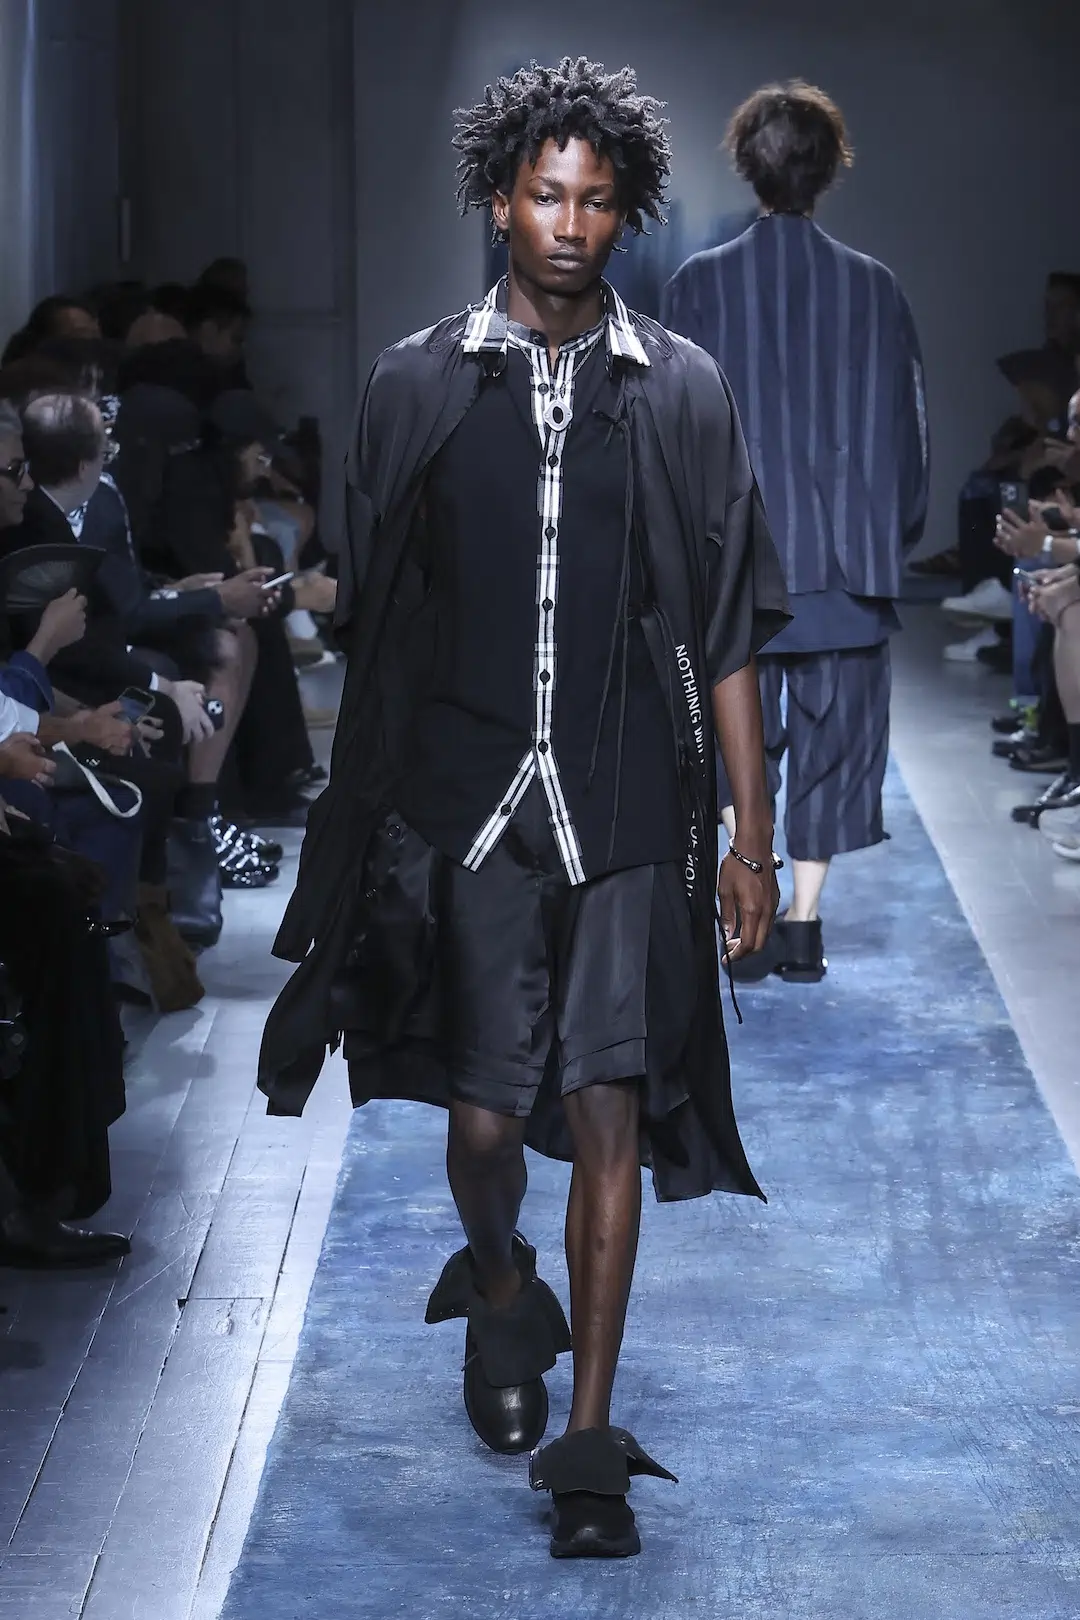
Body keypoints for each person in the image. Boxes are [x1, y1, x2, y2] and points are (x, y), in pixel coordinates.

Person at [259, 56, 789, 1559]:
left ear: (625, 215)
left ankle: (589, 1446)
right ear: (499, 201)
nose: (568, 222)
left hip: (626, 810)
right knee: (487, 1121)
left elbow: (728, 628)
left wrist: (751, 838)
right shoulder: (418, 381)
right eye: (545, 194)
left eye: (596, 200)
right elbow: (390, 620)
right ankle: (500, 1289)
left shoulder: (679, 388)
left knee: (608, 1105)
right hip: (474, 805)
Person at [663, 80, 929, 982]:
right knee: (838, 743)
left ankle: (750, 912)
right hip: (848, 564)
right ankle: (804, 923)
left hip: (732, 566)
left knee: (725, 743)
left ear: (747, 164)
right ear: (829, 168)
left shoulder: (698, 286)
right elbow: (910, 431)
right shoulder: (875, 288)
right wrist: (893, 536)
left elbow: (669, 432)